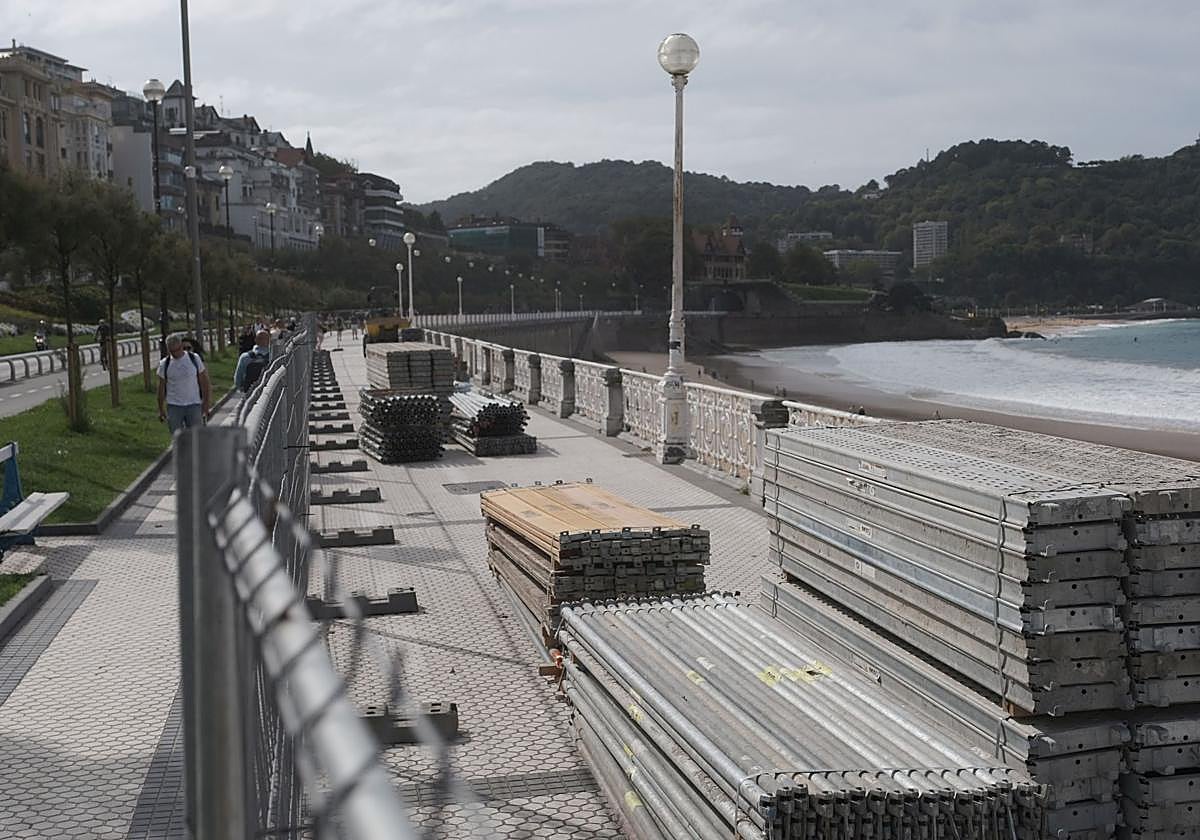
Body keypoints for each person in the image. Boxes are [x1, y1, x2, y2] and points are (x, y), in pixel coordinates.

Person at [157, 334, 211, 432]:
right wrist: (161, 409)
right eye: (172, 351)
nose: (175, 354)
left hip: (194, 404)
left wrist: (206, 403)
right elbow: (161, 388)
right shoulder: (165, 364)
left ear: (181, 346)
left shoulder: (194, 358)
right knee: (177, 436)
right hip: (174, 406)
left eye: (177, 350)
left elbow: (204, 382)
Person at [235, 329, 272, 393]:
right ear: (269, 341)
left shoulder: (245, 357)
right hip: (268, 392)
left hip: (250, 392)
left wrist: (242, 388)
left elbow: (238, 378)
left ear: (255, 340)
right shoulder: (273, 356)